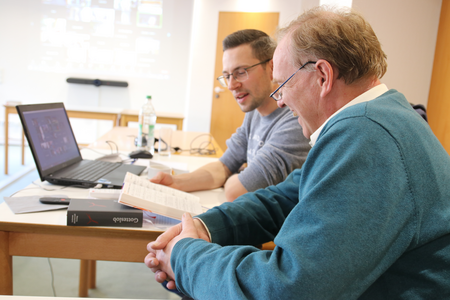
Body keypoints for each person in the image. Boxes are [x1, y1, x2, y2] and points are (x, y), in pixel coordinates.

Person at [145, 6, 450, 299]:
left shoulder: (365, 135)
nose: (278, 101)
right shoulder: (378, 117)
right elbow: (285, 197)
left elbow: (285, 289)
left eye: (283, 85)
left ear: (322, 76)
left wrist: (185, 256)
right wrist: (205, 227)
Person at [150, 29, 310, 202]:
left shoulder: (296, 121)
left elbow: (237, 191)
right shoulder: (254, 112)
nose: (232, 85)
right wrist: (175, 182)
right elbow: (224, 166)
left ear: (271, 68)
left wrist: (237, 177)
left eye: (241, 72)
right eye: (227, 76)